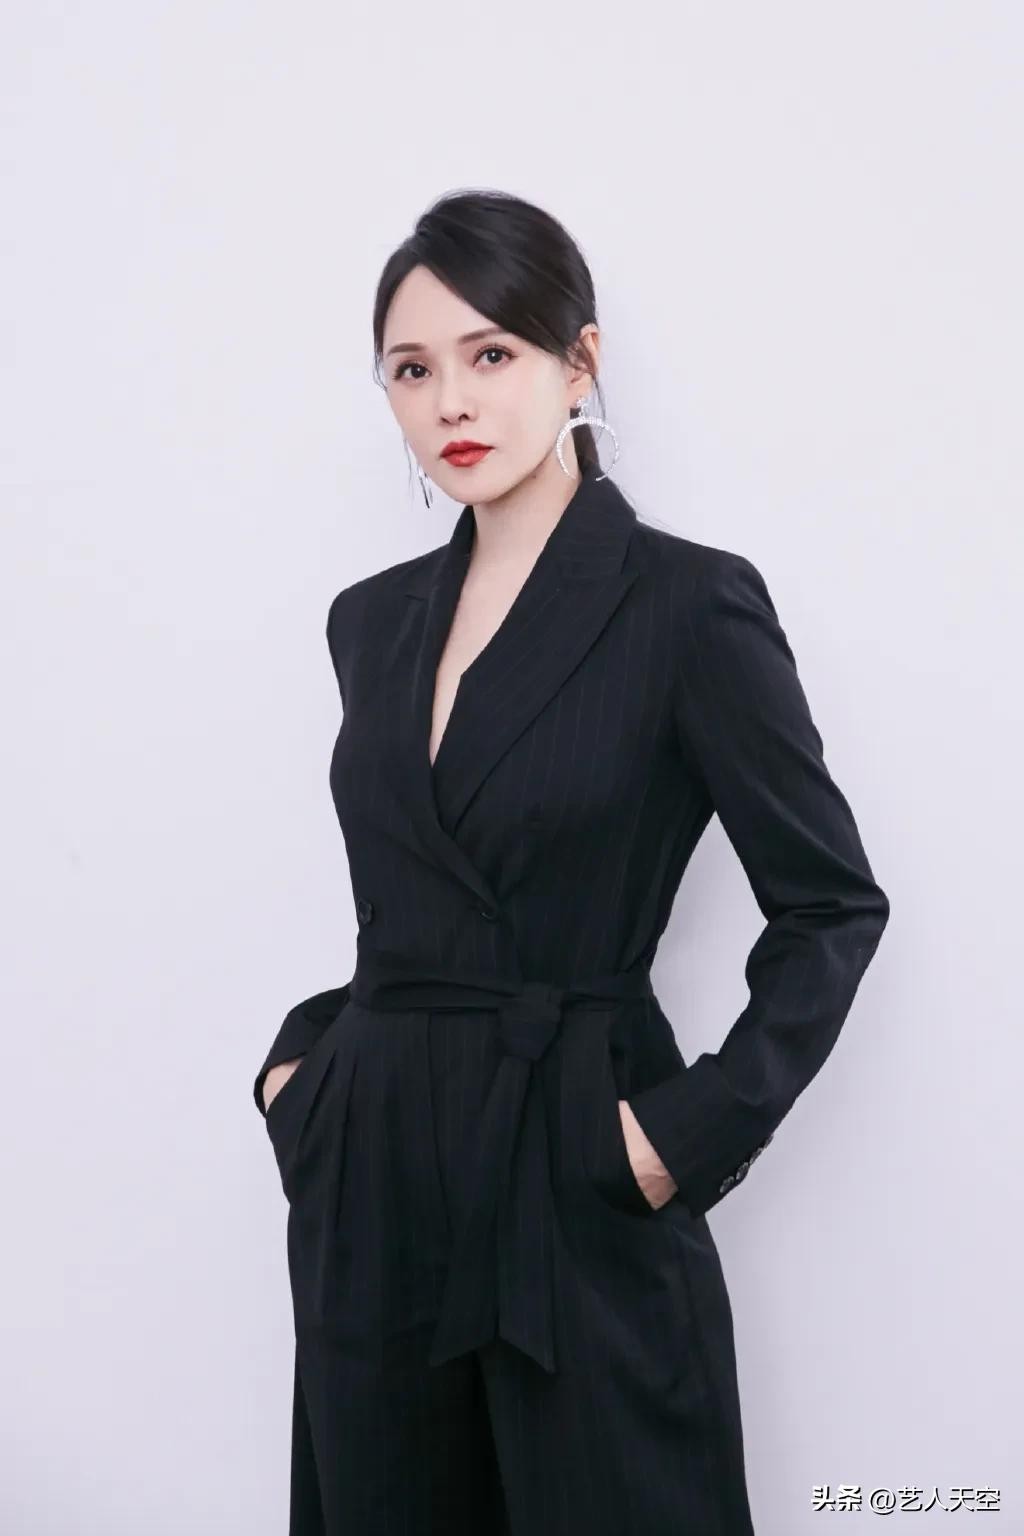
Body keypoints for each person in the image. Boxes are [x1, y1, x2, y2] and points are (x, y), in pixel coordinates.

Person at [252, 188, 890, 1536]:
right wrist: (306, 1074)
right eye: (411, 369)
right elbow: (411, 903)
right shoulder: (369, 623)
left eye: (491, 354)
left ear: (579, 360)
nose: (451, 401)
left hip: (575, 1158)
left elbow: (831, 904)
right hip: (375, 1171)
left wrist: (681, 1135)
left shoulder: (688, 604)